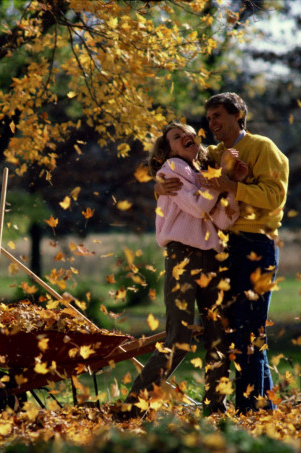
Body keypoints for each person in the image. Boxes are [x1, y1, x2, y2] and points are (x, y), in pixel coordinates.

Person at [157, 93, 289, 414]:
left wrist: (230, 185)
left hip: (256, 244)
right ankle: (260, 409)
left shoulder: (262, 147)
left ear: (239, 114)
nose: (212, 124)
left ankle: (250, 410)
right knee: (236, 329)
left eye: (219, 116)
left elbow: (274, 196)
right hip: (224, 247)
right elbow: (179, 168)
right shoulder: (214, 154)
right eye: (210, 118)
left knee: (250, 330)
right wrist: (158, 185)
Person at [119, 121, 248, 418]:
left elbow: (226, 220)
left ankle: (215, 408)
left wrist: (227, 183)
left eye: (189, 132)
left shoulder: (206, 173)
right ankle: (132, 406)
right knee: (178, 337)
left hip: (213, 259)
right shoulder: (172, 168)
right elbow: (200, 209)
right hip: (183, 258)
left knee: (219, 335)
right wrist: (220, 182)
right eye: (177, 137)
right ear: (169, 149)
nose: (186, 136)